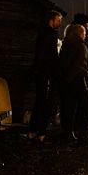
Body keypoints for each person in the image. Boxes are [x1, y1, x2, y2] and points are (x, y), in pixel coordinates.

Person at [29, 10, 62, 142]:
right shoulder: (48, 35)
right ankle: (40, 131)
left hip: (44, 73)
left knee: (39, 102)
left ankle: (33, 130)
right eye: (58, 20)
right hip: (46, 74)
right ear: (51, 20)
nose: (60, 23)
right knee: (44, 103)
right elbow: (45, 55)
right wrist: (47, 72)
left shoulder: (45, 33)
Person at [58, 24, 88, 143]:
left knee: (69, 108)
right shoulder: (80, 46)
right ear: (79, 34)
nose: (85, 35)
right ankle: (81, 133)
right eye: (83, 33)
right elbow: (80, 65)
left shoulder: (66, 45)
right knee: (87, 105)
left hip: (68, 81)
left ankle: (69, 133)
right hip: (79, 81)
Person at [71, 13, 88, 84]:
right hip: (82, 74)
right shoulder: (78, 38)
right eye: (87, 23)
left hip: (85, 72)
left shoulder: (84, 36)